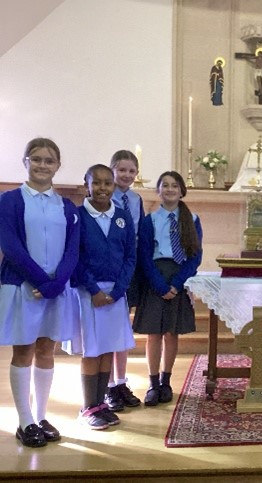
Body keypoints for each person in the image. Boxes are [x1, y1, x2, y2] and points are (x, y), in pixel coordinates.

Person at [0, 138, 80, 447]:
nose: (42, 165)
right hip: (24, 287)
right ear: (25, 162)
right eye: (36, 159)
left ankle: (42, 416)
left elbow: (72, 249)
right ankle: (25, 421)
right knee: (24, 351)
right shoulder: (9, 200)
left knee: (47, 351)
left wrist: (56, 284)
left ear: (58, 166)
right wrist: (42, 282)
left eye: (49, 160)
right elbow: (10, 246)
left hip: (56, 290)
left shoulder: (67, 206)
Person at [63, 165, 136, 429]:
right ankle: (88, 407)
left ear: (114, 186)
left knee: (108, 348)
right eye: (97, 183)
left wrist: (118, 290)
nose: (103, 188)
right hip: (88, 292)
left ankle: (101, 404)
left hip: (115, 293)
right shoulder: (78, 216)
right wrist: (94, 290)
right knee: (92, 350)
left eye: (108, 183)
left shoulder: (122, 217)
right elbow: (74, 256)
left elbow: (130, 256)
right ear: (87, 185)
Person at [133, 171, 203, 406]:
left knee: (172, 333)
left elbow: (194, 256)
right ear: (158, 190)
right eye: (165, 185)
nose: (170, 189)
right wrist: (159, 285)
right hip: (155, 277)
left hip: (178, 276)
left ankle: (166, 381)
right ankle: (153, 384)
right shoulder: (150, 220)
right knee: (154, 333)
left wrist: (177, 283)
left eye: (174, 185)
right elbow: (144, 256)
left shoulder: (192, 219)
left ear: (182, 190)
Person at [104, 150, 145, 412]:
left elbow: (139, 235)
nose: (127, 175)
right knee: (110, 328)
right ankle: (107, 385)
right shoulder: (104, 197)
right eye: (122, 170)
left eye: (131, 171)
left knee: (123, 328)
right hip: (110, 268)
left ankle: (121, 382)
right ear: (112, 170)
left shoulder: (136, 199)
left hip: (130, 269)